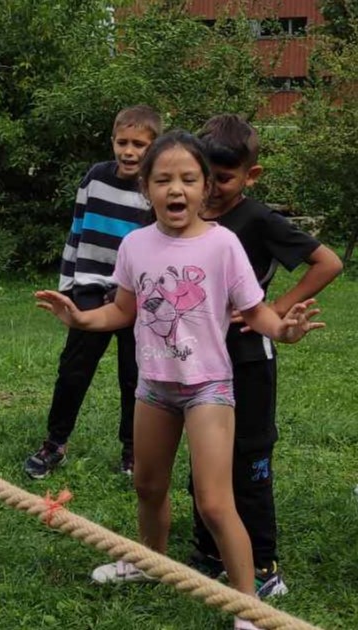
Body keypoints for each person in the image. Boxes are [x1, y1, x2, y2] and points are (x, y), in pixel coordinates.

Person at [35, 130, 323, 630]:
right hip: (154, 386)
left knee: (214, 502)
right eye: (164, 179)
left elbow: (256, 312)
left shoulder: (223, 244)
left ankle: (248, 605)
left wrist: (284, 329)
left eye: (189, 179)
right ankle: (151, 563)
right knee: (148, 486)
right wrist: (82, 319)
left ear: (205, 187)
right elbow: (122, 310)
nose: (176, 189)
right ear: (146, 187)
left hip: (208, 386)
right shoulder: (135, 245)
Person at [188, 114, 342, 597]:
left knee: (249, 459)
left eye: (224, 178)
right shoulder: (188, 217)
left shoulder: (257, 219)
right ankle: (209, 553)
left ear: (250, 175)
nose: (212, 188)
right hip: (198, 360)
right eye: (204, 176)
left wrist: (273, 307)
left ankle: (262, 565)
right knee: (204, 457)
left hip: (249, 360)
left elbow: (328, 262)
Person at [24, 105, 162, 479]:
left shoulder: (155, 188)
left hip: (135, 295)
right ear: (112, 141)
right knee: (74, 369)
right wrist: (68, 285)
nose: (129, 151)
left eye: (139, 145)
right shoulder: (96, 178)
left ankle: (133, 451)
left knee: (134, 375)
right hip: (89, 285)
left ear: (154, 146)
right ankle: (55, 442)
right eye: (122, 142)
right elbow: (77, 230)